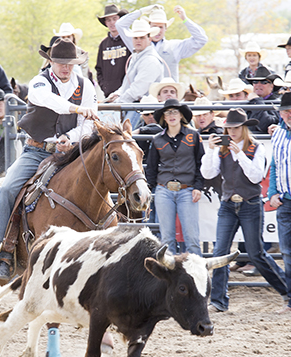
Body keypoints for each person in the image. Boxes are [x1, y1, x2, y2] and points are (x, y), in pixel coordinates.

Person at [0, 38, 98, 280]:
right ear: (50, 61)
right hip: (37, 150)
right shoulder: (40, 82)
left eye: (70, 63)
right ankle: (4, 252)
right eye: (60, 62)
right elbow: (49, 101)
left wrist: (68, 138)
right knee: (7, 190)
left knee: (98, 183)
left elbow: (88, 125)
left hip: (72, 151)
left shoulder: (86, 86)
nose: (65, 67)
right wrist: (78, 109)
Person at [201, 108, 290, 312]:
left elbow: (256, 176)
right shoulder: (222, 149)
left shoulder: (255, 147)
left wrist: (239, 154)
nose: (232, 132)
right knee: (220, 251)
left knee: (256, 253)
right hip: (228, 203)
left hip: (250, 203)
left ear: (244, 128)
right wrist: (211, 150)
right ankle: (218, 301)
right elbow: (208, 172)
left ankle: (287, 291)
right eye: (229, 128)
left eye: (236, 127)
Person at [146, 98, 204, 255]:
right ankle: (168, 277)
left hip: (188, 190)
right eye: (168, 113)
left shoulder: (194, 136)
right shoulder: (157, 139)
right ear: (164, 117)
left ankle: (196, 274)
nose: (171, 115)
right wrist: (150, 190)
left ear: (181, 116)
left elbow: (201, 163)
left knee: (191, 237)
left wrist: (198, 187)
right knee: (167, 238)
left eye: (175, 112)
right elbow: (151, 168)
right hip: (163, 190)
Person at [116, 5, 208, 82]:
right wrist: (142, 11)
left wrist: (185, 19)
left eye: (161, 27)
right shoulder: (138, 41)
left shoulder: (174, 46)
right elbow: (120, 25)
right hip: (143, 99)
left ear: (166, 28)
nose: (158, 31)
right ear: (149, 27)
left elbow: (201, 39)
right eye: (155, 26)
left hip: (168, 99)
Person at [267, 92, 291, 313]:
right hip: (285, 200)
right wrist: (272, 192)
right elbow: (274, 166)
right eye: (285, 111)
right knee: (287, 252)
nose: (289, 114)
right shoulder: (279, 135)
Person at [104, 19, 163, 105]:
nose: (138, 40)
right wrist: (118, 93)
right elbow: (128, 84)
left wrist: (118, 102)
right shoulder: (136, 57)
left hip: (145, 109)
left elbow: (138, 90)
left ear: (149, 39)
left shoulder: (151, 60)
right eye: (135, 37)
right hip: (135, 105)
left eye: (142, 37)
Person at [95, 4, 131, 99]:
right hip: (108, 96)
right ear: (105, 23)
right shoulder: (103, 44)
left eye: (115, 19)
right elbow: (98, 69)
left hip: (127, 94)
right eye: (108, 20)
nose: (112, 23)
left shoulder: (129, 40)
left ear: (120, 19)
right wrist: (105, 87)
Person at [246, 67, 282, 133]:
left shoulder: (277, 103)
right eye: (255, 82)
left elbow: (267, 125)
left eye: (264, 82)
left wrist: (256, 101)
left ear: (272, 86)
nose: (258, 85)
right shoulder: (248, 102)